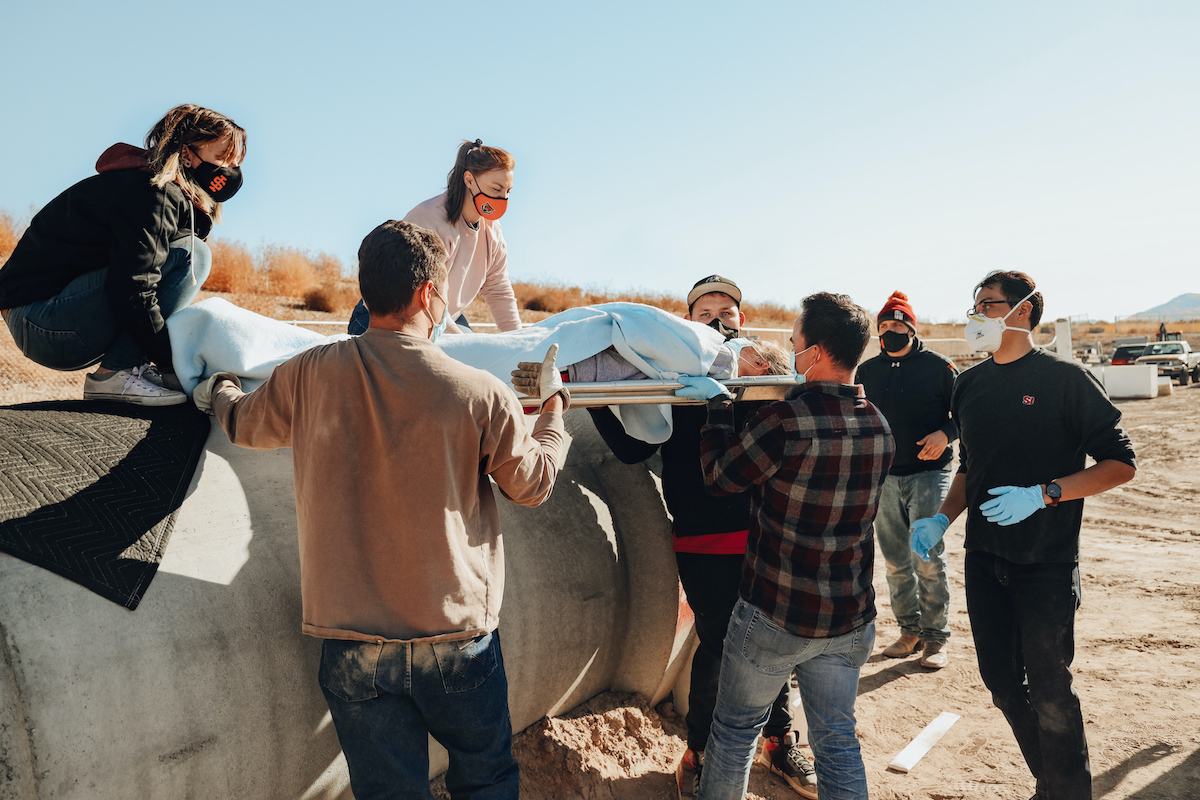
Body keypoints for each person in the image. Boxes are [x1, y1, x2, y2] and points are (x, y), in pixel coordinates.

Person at [194, 220, 568, 799]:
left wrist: (219, 387)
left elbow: (244, 423)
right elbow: (533, 485)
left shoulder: (308, 373)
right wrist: (554, 411)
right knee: (487, 778)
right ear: (427, 294)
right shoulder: (477, 391)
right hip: (456, 639)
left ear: (367, 291)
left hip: (350, 643)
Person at [589, 275, 821, 800]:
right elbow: (631, 451)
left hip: (767, 534)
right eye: (706, 310)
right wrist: (597, 400)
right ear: (687, 322)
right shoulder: (671, 381)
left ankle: (780, 741)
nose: (719, 317)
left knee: (772, 639)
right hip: (702, 537)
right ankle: (702, 751)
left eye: (729, 310)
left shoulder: (764, 374)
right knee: (721, 645)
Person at [909, 271, 1136, 800]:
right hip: (985, 559)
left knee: (1052, 690)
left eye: (989, 305)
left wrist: (1044, 493)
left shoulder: (1066, 380)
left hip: (1046, 564)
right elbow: (971, 468)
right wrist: (943, 517)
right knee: (1003, 683)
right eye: (975, 306)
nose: (977, 316)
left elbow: (1120, 464)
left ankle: (1067, 791)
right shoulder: (970, 385)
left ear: (1024, 311)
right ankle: (1055, 783)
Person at [687, 292, 894, 800]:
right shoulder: (880, 426)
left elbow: (719, 477)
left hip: (774, 616)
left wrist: (717, 408)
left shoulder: (784, 421)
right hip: (849, 620)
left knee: (734, 735)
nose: (791, 353)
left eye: (796, 344)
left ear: (817, 353)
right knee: (838, 742)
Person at [0, 104, 246, 405]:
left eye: (234, 162)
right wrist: (171, 367)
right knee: (193, 255)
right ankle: (115, 375)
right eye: (222, 158)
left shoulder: (153, 189)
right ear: (186, 154)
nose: (230, 171)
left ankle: (124, 369)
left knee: (186, 251)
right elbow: (132, 287)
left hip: (42, 319)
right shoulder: (154, 193)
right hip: (43, 324)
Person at [857, 291, 958, 669]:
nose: (890, 332)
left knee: (927, 556)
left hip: (930, 474)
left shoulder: (940, 367)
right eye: (884, 326)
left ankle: (935, 639)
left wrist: (945, 434)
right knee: (896, 562)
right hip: (884, 478)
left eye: (898, 326)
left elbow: (965, 413)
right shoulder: (866, 372)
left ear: (912, 329)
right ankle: (909, 631)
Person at [349, 139, 520, 335]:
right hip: (384, 320)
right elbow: (424, 293)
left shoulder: (493, 232)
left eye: (508, 191)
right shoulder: (430, 219)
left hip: (444, 317)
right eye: (496, 189)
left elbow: (498, 288)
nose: (503, 198)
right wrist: (460, 345)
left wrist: (518, 341)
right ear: (469, 180)